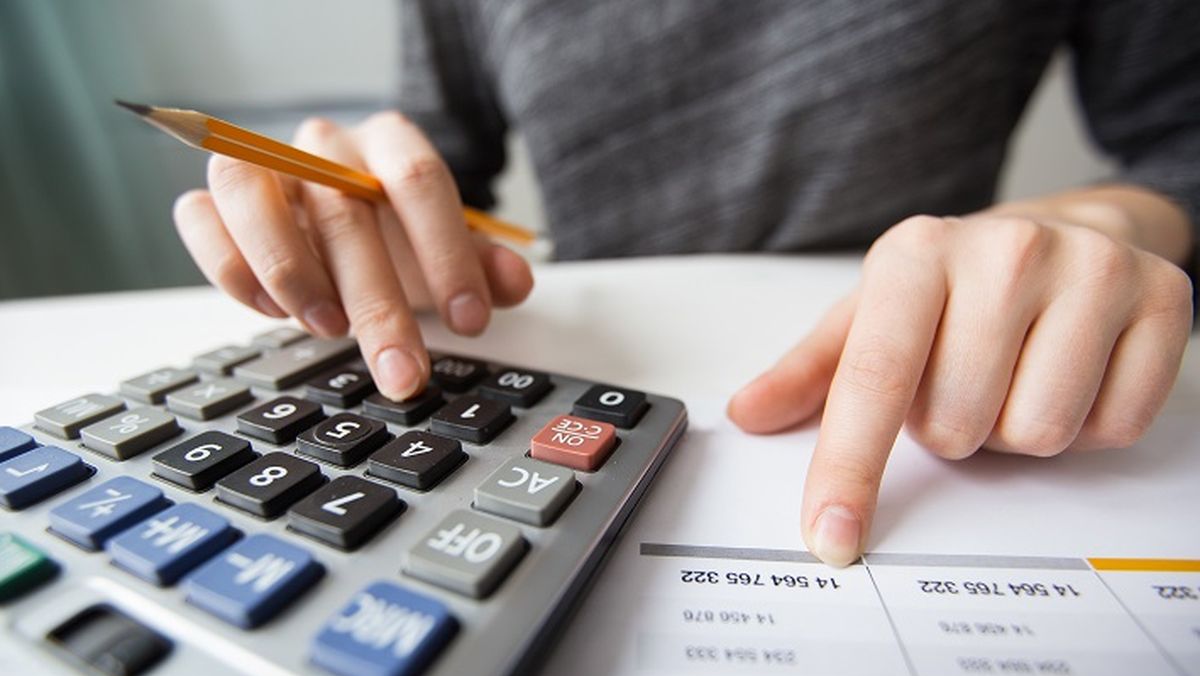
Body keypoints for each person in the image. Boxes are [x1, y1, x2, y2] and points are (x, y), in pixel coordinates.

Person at [172, 1, 1198, 567]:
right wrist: (363, 208)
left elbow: (1180, 134)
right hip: (580, 364)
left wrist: (1104, 221)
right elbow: (444, 166)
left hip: (932, 370)